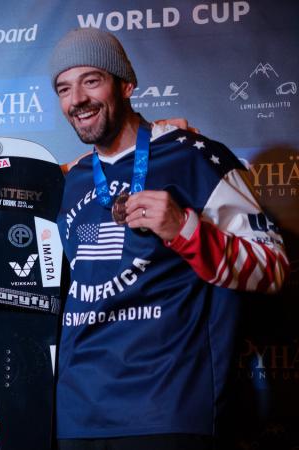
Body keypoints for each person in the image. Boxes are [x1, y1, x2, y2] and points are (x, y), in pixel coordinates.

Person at [50, 28, 288, 450]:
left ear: (126, 85)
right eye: (63, 88)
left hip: (171, 406)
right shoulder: (74, 179)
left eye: (92, 80)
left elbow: (272, 269)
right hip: (79, 414)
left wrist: (186, 230)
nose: (77, 100)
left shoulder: (195, 157)